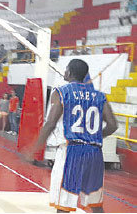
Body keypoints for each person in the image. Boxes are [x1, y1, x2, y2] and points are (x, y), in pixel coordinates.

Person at [31, 59, 118, 213]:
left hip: (72, 151)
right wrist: (94, 137)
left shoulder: (62, 92)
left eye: (66, 70)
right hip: (94, 153)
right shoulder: (99, 96)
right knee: (95, 204)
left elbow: (50, 123)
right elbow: (113, 125)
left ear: (69, 73)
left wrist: (35, 147)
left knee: (63, 203)